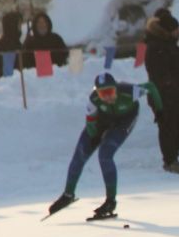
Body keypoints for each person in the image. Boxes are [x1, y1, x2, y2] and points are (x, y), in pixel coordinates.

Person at [47, 73, 162, 218]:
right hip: (103, 120)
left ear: (116, 88)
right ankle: (68, 194)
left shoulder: (129, 91)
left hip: (124, 121)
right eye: (103, 94)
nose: (107, 97)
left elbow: (151, 87)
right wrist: (94, 135)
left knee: (105, 155)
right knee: (80, 153)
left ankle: (110, 201)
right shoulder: (93, 99)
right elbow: (90, 123)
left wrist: (160, 110)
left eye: (110, 92)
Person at [145, 10, 179, 174]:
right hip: (163, 96)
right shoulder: (157, 47)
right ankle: (170, 160)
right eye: (176, 29)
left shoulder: (169, 44)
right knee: (168, 128)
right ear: (168, 30)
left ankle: (173, 157)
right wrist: (171, 85)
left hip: (177, 95)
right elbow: (159, 73)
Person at [0, 12, 23, 78]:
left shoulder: (17, 42)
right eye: (18, 24)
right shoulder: (4, 44)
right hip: (10, 80)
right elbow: (7, 69)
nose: (20, 27)